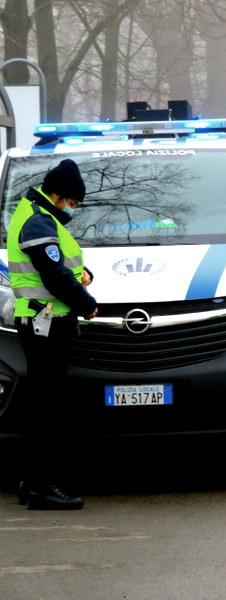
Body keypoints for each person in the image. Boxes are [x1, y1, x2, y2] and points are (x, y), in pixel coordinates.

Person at [8, 158, 98, 510]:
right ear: (58, 195)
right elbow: (52, 274)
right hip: (44, 323)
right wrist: (85, 302)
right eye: (73, 203)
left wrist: (82, 274)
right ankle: (42, 487)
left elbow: (57, 263)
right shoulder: (38, 220)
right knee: (46, 408)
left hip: (41, 321)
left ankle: (32, 483)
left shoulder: (36, 215)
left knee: (42, 404)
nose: (73, 209)